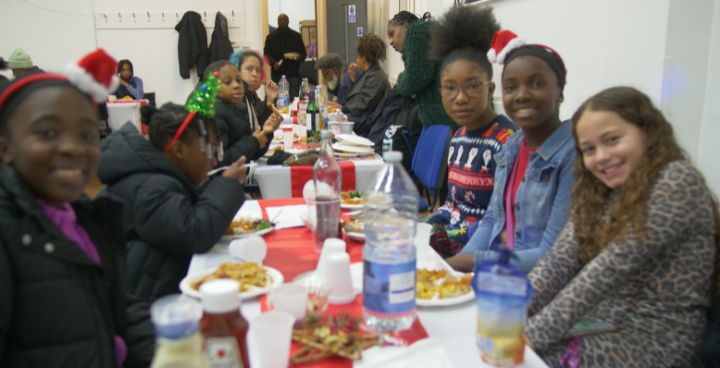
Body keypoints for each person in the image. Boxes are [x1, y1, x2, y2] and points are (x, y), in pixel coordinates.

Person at [525, 86, 719, 367]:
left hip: (655, 340)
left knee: (529, 357)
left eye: (612, 140)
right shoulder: (600, 191)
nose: (601, 156)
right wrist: (508, 311)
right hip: (602, 321)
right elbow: (557, 262)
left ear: (647, 132)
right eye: (589, 149)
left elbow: (606, 271)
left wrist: (529, 334)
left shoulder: (677, 181)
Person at [0, 49, 154, 367]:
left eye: (87, 134)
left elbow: (121, 306)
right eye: (47, 132)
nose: (73, 147)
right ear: (6, 149)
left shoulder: (87, 216)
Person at [446, 30, 575, 273]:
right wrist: (455, 273)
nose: (522, 95)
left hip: (542, 286)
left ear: (560, 91)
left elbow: (553, 255)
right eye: (511, 87)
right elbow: (493, 220)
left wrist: (472, 262)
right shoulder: (512, 147)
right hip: (502, 275)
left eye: (536, 84)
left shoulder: (572, 156)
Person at [98, 101, 249, 302]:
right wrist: (226, 185)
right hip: (143, 303)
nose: (214, 161)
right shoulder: (151, 188)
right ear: (178, 151)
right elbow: (194, 233)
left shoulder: (154, 176)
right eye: (210, 151)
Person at [425, 6, 515, 257]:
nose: (460, 98)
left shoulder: (506, 141)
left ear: (490, 88)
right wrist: (426, 229)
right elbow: (452, 205)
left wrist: (447, 248)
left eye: (472, 86)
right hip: (449, 245)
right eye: (450, 88)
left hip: (478, 254)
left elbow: (499, 221)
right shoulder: (459, 137)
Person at [205, 60, 281, 166]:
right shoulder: (215, 114)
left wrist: (265, 132)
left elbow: (252, 154)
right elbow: (219, 162)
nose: (236, 85)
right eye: (227, 82)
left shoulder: (237, 108)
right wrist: (254, 142)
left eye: (239, 80)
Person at [388, 11, 455, 129]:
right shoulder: (426, 32)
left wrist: (400, 80)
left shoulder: (415, 31)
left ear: (405, 25)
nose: (391, 42)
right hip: (448, 116)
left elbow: (416, 78)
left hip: (445, 120)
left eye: (392, 33)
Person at [342, 34, 390, 136]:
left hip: (367, 126)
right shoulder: (369, 73)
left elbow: (363, 105)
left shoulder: (377, 77)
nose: (356, 59)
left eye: (358, 55)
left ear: (363, 58)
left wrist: (342, 109)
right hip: (363, 121)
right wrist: (353, 80)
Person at [230, 48, 282, 140]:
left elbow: (260, 128)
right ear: (237, 71)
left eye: (258, 70)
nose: (254, 74)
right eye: (249, 69)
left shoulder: (251, 95)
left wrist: (269, 99)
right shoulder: (236, 99)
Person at [263, 13, 306, 98]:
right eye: (280, 20)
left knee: (294, 101)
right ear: (277, 22)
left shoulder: (296, 36)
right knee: (278, 101)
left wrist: (296, 56)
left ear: (288, 22)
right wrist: (273, 63)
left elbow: (303, 55)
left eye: (284, 20)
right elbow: (266, 54)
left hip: (293, 75)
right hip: (277, 76)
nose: (282, 21)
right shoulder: (270, 38)